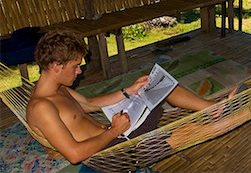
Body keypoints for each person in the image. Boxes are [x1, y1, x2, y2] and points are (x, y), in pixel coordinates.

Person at [26, 30, 234, 164]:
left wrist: (129, 90)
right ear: (56, 66)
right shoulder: (41, 108)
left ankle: (213, 108)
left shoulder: (57, 88)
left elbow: (88, 104)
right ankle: (236, 116)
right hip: (112, 154)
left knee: (159, 86)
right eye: (76, 66)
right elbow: (74, 155)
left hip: (117, 132)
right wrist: (115, 130)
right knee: (185, 131)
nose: (80, 71)